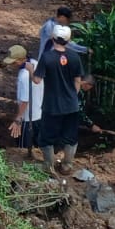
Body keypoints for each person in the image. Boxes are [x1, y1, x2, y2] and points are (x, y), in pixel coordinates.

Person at [36, 25, 86, 172]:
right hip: (71, 104)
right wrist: (71, 97)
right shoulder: (74, 57)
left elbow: (37, 80)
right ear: (68, 40)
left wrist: (31, 70)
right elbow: (77, 81)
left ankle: (48, 165)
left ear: (52, 38)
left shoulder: (47, 57)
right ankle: (67, 165)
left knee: (46, 136)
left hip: (51, 105)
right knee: (70, 135)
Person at [3, 45, 45, 161]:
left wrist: (18, 119)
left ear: (21, 60)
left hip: (28, 119)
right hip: (40, 113)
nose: (11, 65)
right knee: (38, 148)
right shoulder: (35, 63)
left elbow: (25, 101)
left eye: (14, 62)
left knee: (24, 151)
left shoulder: (24, 76)